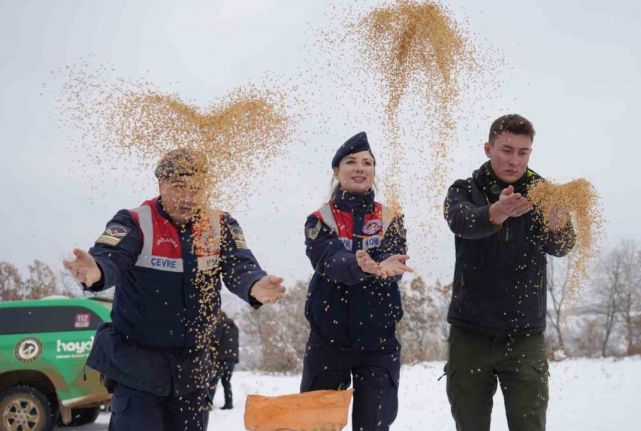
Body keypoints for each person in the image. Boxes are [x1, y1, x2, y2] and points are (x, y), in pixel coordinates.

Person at [63, 148, 285, 431]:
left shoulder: (220, 225)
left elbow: (240, 267)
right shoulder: (134, 221)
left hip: (193, 372)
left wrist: (255, 285)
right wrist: (96, 272)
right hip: (137, 369)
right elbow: (110, 257)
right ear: (160, 185)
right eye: (178, 187)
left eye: (195, 189)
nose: (187, 198)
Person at [443, 114, 576, 431]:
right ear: (488, 148)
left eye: (523, 152)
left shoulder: (543, 194)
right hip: (470, 333)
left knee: (529, 425)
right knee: (470, 424)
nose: (514, 160)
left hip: (525, 335)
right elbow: (462, 222)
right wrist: (497, 211)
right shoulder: (464, 190)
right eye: (506, 149)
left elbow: (562, 245)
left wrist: (559, 227)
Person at [299, 132, 412, 431]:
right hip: (328, 340)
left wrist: (385, 267)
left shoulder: (391, 217)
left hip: (378, 343)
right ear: (336, 171)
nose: (360, 168)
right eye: (351, 162)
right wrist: (360, 265)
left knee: (374, 424)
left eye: (367, 162)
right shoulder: (319, 219)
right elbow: (327, 259)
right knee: (317, 425)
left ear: (374, 172)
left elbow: (395, 260)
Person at [208, 311, 239, 410]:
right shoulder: (234, 327)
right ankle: (229, 403)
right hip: (232, 358)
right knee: (226, 381)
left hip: (221, 358)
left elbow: (215, 340)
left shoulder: (221, 325)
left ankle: (208, 403)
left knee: (213, 381)